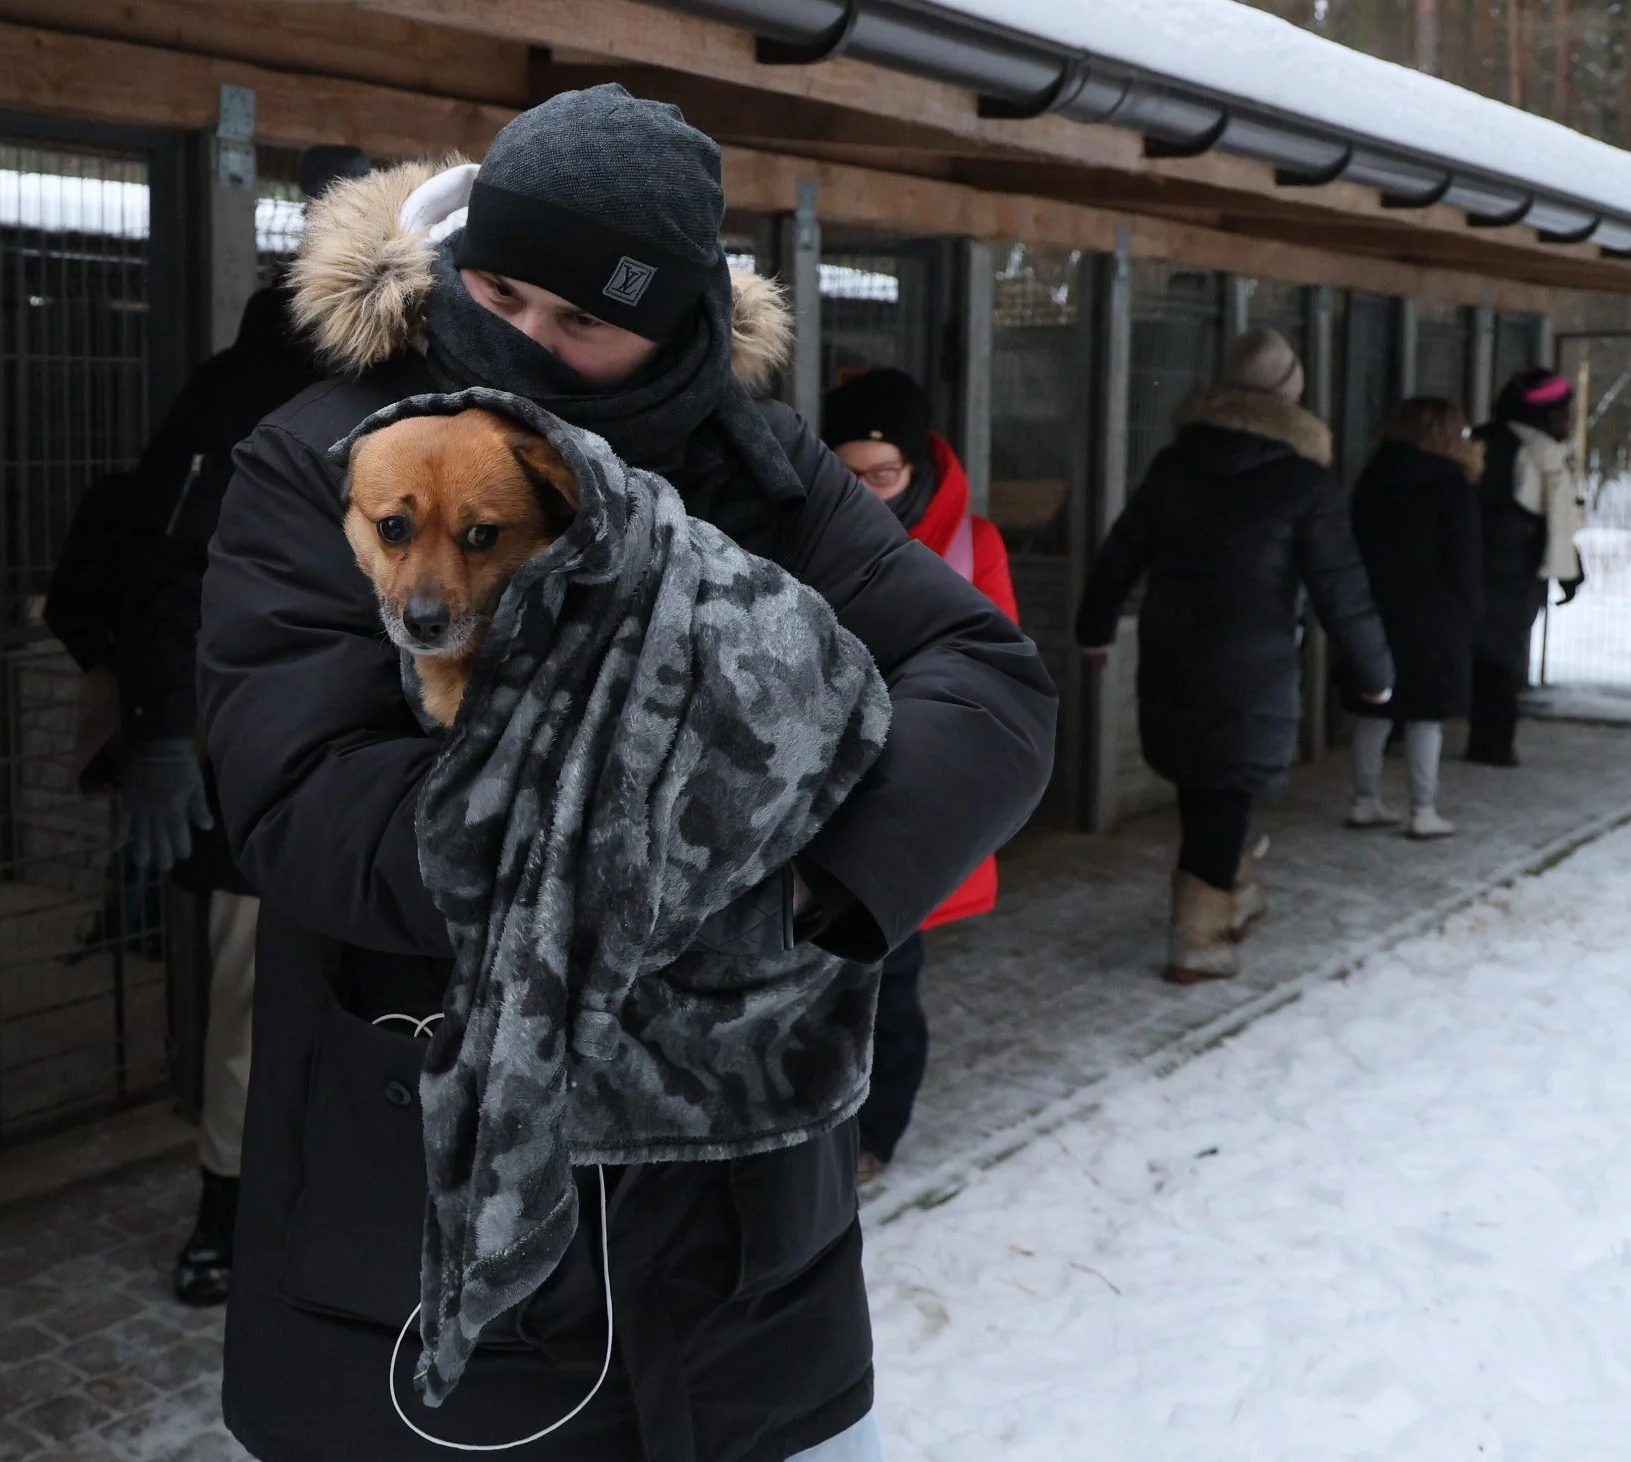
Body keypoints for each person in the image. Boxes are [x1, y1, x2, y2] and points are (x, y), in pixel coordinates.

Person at [200, 87, 1056, 1461]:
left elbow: (988, 682)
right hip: (429, 1215)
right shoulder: (339, 456)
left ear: (678, 325)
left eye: (582, 321)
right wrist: (620, 871)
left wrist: (809, 894)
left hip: (746, 1256)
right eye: (499, 292)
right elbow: (300, 794)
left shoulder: (760, 465)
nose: (524, 341)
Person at [45, 145, 371, 1308]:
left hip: (398, 760)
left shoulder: (443, 379)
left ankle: (353, 1194)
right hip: (263, 756)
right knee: (252, 999)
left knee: (382, 997)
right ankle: (230, 1200)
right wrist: (158, 731)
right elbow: (165, 567)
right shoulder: (244, 387)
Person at [1076, 327, 1393, 986]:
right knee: (1222, 793)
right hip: (1252, 668)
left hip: (1174, 655)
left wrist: (1094, 632)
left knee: (1208, 788)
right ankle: (1197, 940)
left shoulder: (1174, 466)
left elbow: (1118, 555)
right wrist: (1375, 673)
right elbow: (1342, 588)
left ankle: (1234, 892)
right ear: (1291, 396)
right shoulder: (1304, 482)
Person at [818, 368, 1017, 1185]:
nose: (867, 492)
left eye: (885, 474)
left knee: (888, 974)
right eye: (850, 473)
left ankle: (875, 1130)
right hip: (817, 794)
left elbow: (996, 679)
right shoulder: (803, 530)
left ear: (917, 467)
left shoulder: (971, 546)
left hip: (907, 793)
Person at [1347, 397, 1486, 839]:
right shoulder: (1451, 486)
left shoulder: (1372, 478)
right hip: (1434, 617)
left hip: (1373, 610)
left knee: (1373, 708)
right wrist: (1472, 613)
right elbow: (1464, 559)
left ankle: (1364, 800)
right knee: (1425, 714)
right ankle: (1423, 810)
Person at [1466, 366, 1585, 767]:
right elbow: (1554, 519)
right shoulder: (1535, 453)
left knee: (1483, 651)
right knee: (1500, 656)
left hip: (1486, 565)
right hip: (1511, 569)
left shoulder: (1488, 440)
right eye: (1566, 412)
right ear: (1546, 414)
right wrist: (1567, 569)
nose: (1570, 421)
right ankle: (1492, 744)